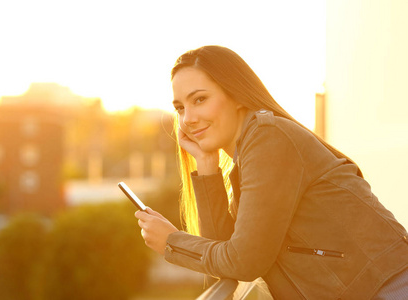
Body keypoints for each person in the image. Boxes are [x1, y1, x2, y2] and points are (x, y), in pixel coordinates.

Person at [135, 45, 408, 299]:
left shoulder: (268, 138)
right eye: (180, 108)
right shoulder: (250, 153)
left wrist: (172, 241)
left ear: (236, 94)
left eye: (200, 99)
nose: (188, 118)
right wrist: (206, 164)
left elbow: (244, 260)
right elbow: (225, 255)